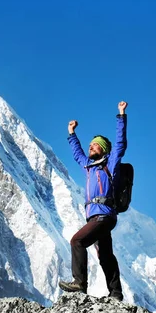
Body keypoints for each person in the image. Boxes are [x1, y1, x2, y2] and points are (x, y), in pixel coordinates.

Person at [59, 101, 128, 301]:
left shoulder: (111, 164)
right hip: (95, 218)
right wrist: (71, 134)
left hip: (104, 215)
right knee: (105, 255)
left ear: (104, 149)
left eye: (95, 144)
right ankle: (116, 293)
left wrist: (121, 115)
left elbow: (121, 143)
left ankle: (80, 283)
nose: (91, 146)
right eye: (90, 144)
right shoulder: (89, 166)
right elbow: (77, 154)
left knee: (77, 241)